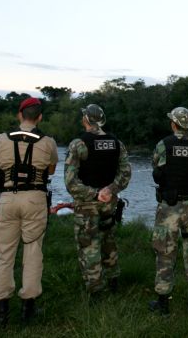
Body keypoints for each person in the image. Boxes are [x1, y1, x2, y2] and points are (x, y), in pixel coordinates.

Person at [0, 97, 58, 326]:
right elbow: (51, 168)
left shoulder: (1, 139)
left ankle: (2, 311)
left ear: (20, 115)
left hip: (8, 198)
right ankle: (28, 307)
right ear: (39, 117)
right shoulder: (48, 142)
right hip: (35, 198)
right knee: (32, 251)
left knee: (4, 253)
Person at [64, 104, 132, 300]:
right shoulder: (117, 143)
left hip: (87, 205)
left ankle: (96, 291)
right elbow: (125, 174)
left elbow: (70, 182)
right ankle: (113, 282)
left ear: (86, 119)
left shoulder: (79, 144)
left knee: (89, 246)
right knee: (109, 240)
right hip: (109, 202)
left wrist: (95, 194)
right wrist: (110, 190)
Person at [149, 107, 188, 316]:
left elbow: (156, 169)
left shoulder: (164, 145)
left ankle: (163, 305)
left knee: (165, 252)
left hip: (170, 208)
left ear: (174, 124)